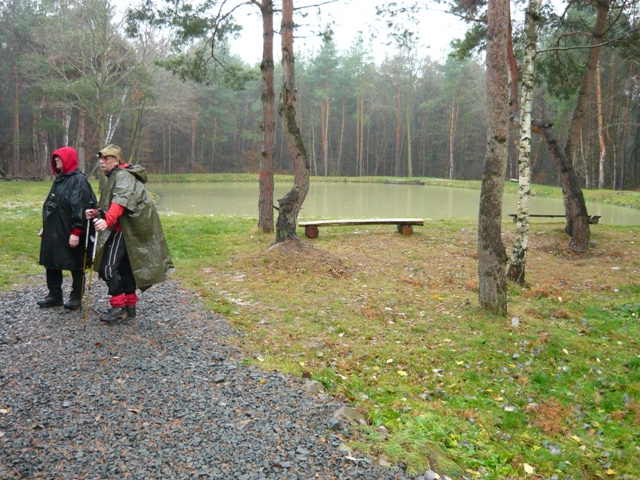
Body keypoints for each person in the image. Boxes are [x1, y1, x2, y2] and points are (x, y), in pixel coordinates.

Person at [86, 144, 174, 323]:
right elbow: (112, 202)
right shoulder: (117, 175)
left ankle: (118, 306)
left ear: (116, 161)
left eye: (106, 158)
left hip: (122, 230)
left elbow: (120, 201)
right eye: (100, 159)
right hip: (127, 230)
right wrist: (97, 213)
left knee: (107, 267)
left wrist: (106, 221)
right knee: (126, 268)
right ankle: (129, 305)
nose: (101, 162)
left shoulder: (123, 176)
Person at [38, 147, 97, 310]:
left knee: (75, 261)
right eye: (55, 158)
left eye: (59, 158)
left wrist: (76, 232)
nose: (56, 160)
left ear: (68, 160)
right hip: (55, 228)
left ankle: (76, 296)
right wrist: (46, 227)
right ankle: (54, 295)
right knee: (51, 260)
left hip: (70, 229)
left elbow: (80, 207)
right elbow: (52, 204)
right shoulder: (60, 179)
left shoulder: (78, 181)